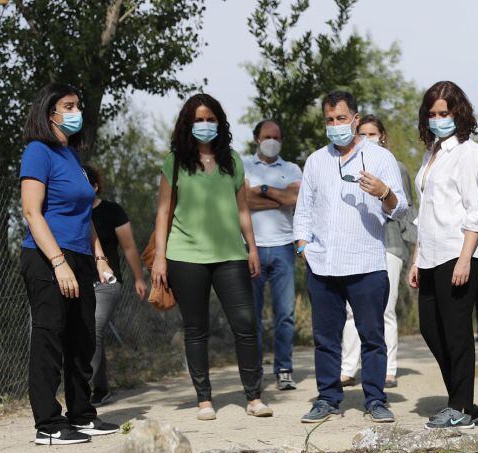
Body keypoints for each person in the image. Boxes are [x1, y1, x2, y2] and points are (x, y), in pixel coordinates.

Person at [150, 93, 272, 420]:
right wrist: (160, 258)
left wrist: (252, 247)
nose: (205, 125)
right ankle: (204, 400)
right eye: (199, 119)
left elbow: (242, 208)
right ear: (188, 124)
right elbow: (163, 212)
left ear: (219, 122)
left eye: (211, 119)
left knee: (246, 324)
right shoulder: (174, 162)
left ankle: (254, 396)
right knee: (196, 329)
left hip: (230, 254)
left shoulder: (232, 160)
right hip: (184, 255)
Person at [293, 90, 408, 424]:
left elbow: (401, 208)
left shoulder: (379, 158)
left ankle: (375, 399)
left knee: (372, 336)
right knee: (326, 338)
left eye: (341, 119)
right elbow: (304, 210)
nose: (335, 125)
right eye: (329, 120)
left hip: (367, 263)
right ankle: (327, 398)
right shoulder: (315, 161)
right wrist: (303, 246)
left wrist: (384, 192)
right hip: (323, 263)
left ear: (355, 120)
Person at [18, 82, 120, 444]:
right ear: (51, 113)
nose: (77, 111)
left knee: (83, 339)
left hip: (80, 258)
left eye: (79, 104)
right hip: (47, 257)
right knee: (50, 337)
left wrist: (101, 258)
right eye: (69, 105)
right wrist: (58, 262)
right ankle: (47, 424)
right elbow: (32, 211)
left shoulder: (71, 157)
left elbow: (83, 215)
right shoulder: (37, 151)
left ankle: (81, 415)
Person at [407, 81, 478, 429]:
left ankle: (461, 407)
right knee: (430, 328)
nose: (438, 119)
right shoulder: (431, 154)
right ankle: (462, 399)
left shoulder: (470, 153)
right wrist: (415, 259)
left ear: (458, 113)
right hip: (429, 254)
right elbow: (424, 213)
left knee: (456, 331)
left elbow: (475, 210)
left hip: (457, 252)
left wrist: (466, 258)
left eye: (445, 113)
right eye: (433, 113)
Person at [340, 115, 415, 390]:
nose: (368, 138)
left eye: (373, 134)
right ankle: (348, 368)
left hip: (391, 244)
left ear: (382, 136)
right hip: (359, 245)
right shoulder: (347, 167)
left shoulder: (397, 167)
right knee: (351, 310)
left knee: (385, 308)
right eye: (363, 133)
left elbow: (406, 210)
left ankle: (388, 369)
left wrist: (413, 248)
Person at [243, 119, 303, 391]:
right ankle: (254, 370)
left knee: (285, 314)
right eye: (267, 136)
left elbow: (295, 200)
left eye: (276, 137)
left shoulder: (291, 168)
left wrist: (262, 190)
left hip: (283, 247)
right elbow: (242, 201)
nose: (271, 141)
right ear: (257, 138)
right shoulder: (243, 166)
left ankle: (284, 369)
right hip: (250, 248)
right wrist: (279, 195)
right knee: (251, 315)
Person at [84, 165, 147, 406]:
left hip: (107, 283)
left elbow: (129, 247)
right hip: (78, 282)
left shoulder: (112, 211)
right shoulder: (70, 212)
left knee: (94, 328)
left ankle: (87, 390)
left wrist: (139, 278)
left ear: (95, 186)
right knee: (83, 333)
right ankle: (100, 387)